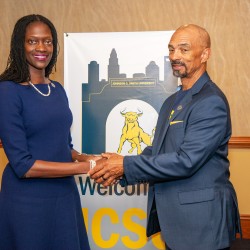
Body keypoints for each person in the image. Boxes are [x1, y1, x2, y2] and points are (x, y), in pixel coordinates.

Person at [89, 24, 242, 250]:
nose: (175, 56)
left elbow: (186, 161)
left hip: (202, 224)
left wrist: (125, 165)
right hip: (176, 224)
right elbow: (158, 150)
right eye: (171, 50)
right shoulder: (172, 101)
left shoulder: (211, 102)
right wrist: (119, 164)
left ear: (205, 54)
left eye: (184, 49)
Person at [0, 14, 98, 250]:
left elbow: (63, 145)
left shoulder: (58, 90)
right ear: (19, 45)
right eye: (32, 41)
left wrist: (87, 157)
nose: (41, 48)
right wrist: (86, 168)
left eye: (48, 41)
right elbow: (23, 165)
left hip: (64, 195)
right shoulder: (7, 91)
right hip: (27, 201)